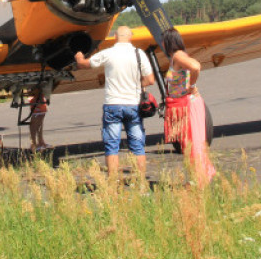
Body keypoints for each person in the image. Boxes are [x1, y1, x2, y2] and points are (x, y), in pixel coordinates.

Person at [74, 26, 155, 178]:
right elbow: (150, 80)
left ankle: (112, 182)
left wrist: (79, 57)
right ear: (131, 37)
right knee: (137, 146)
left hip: (113, 104)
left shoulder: (108, 53)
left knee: (112, 146)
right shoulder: (139, 54)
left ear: (116, 37)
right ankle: (141, 182)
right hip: (133, 105)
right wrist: (136, 86)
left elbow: (84, 64)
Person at [161, 27, 216, 185]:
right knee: (189, 142)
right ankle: (200, 176)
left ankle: (199, 179)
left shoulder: (178, 56)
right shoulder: (178, 56)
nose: (162, 45)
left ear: (168, 42)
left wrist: (191, 85)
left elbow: (195, 66)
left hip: (188, 104)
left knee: (192, 141)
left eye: (163, 41)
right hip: (183, 103)